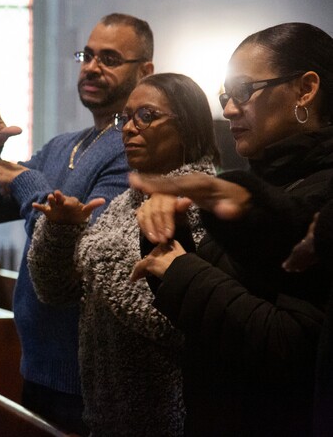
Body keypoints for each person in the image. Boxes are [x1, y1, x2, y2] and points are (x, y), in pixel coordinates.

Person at [129, 22, 333, 436]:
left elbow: (289, 345)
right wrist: (170, 230)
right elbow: (211, 308)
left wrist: (177, 270)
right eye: (225, 96)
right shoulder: (266, 181)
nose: (228, 109)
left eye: (243, 90)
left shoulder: (323, 195)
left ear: (305, 90)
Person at [0, 13, 153, 434]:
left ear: (145, 71)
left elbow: (87, 241)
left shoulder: (134, 151)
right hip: (38, 364)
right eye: (88, 55)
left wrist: (25, 179)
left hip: (87, 375)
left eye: (111, 58)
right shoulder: (66, 144)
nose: (92, 67)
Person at [27, 73, 219, 435]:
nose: (128, 129)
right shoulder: (126, 202)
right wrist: (61, 230)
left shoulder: (201, 203)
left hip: (169, 415)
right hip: (107, 411)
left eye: (145, 116)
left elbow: (171, 320)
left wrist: (92, 255)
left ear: (187, 127)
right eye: (125, 118)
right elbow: (54, 291)